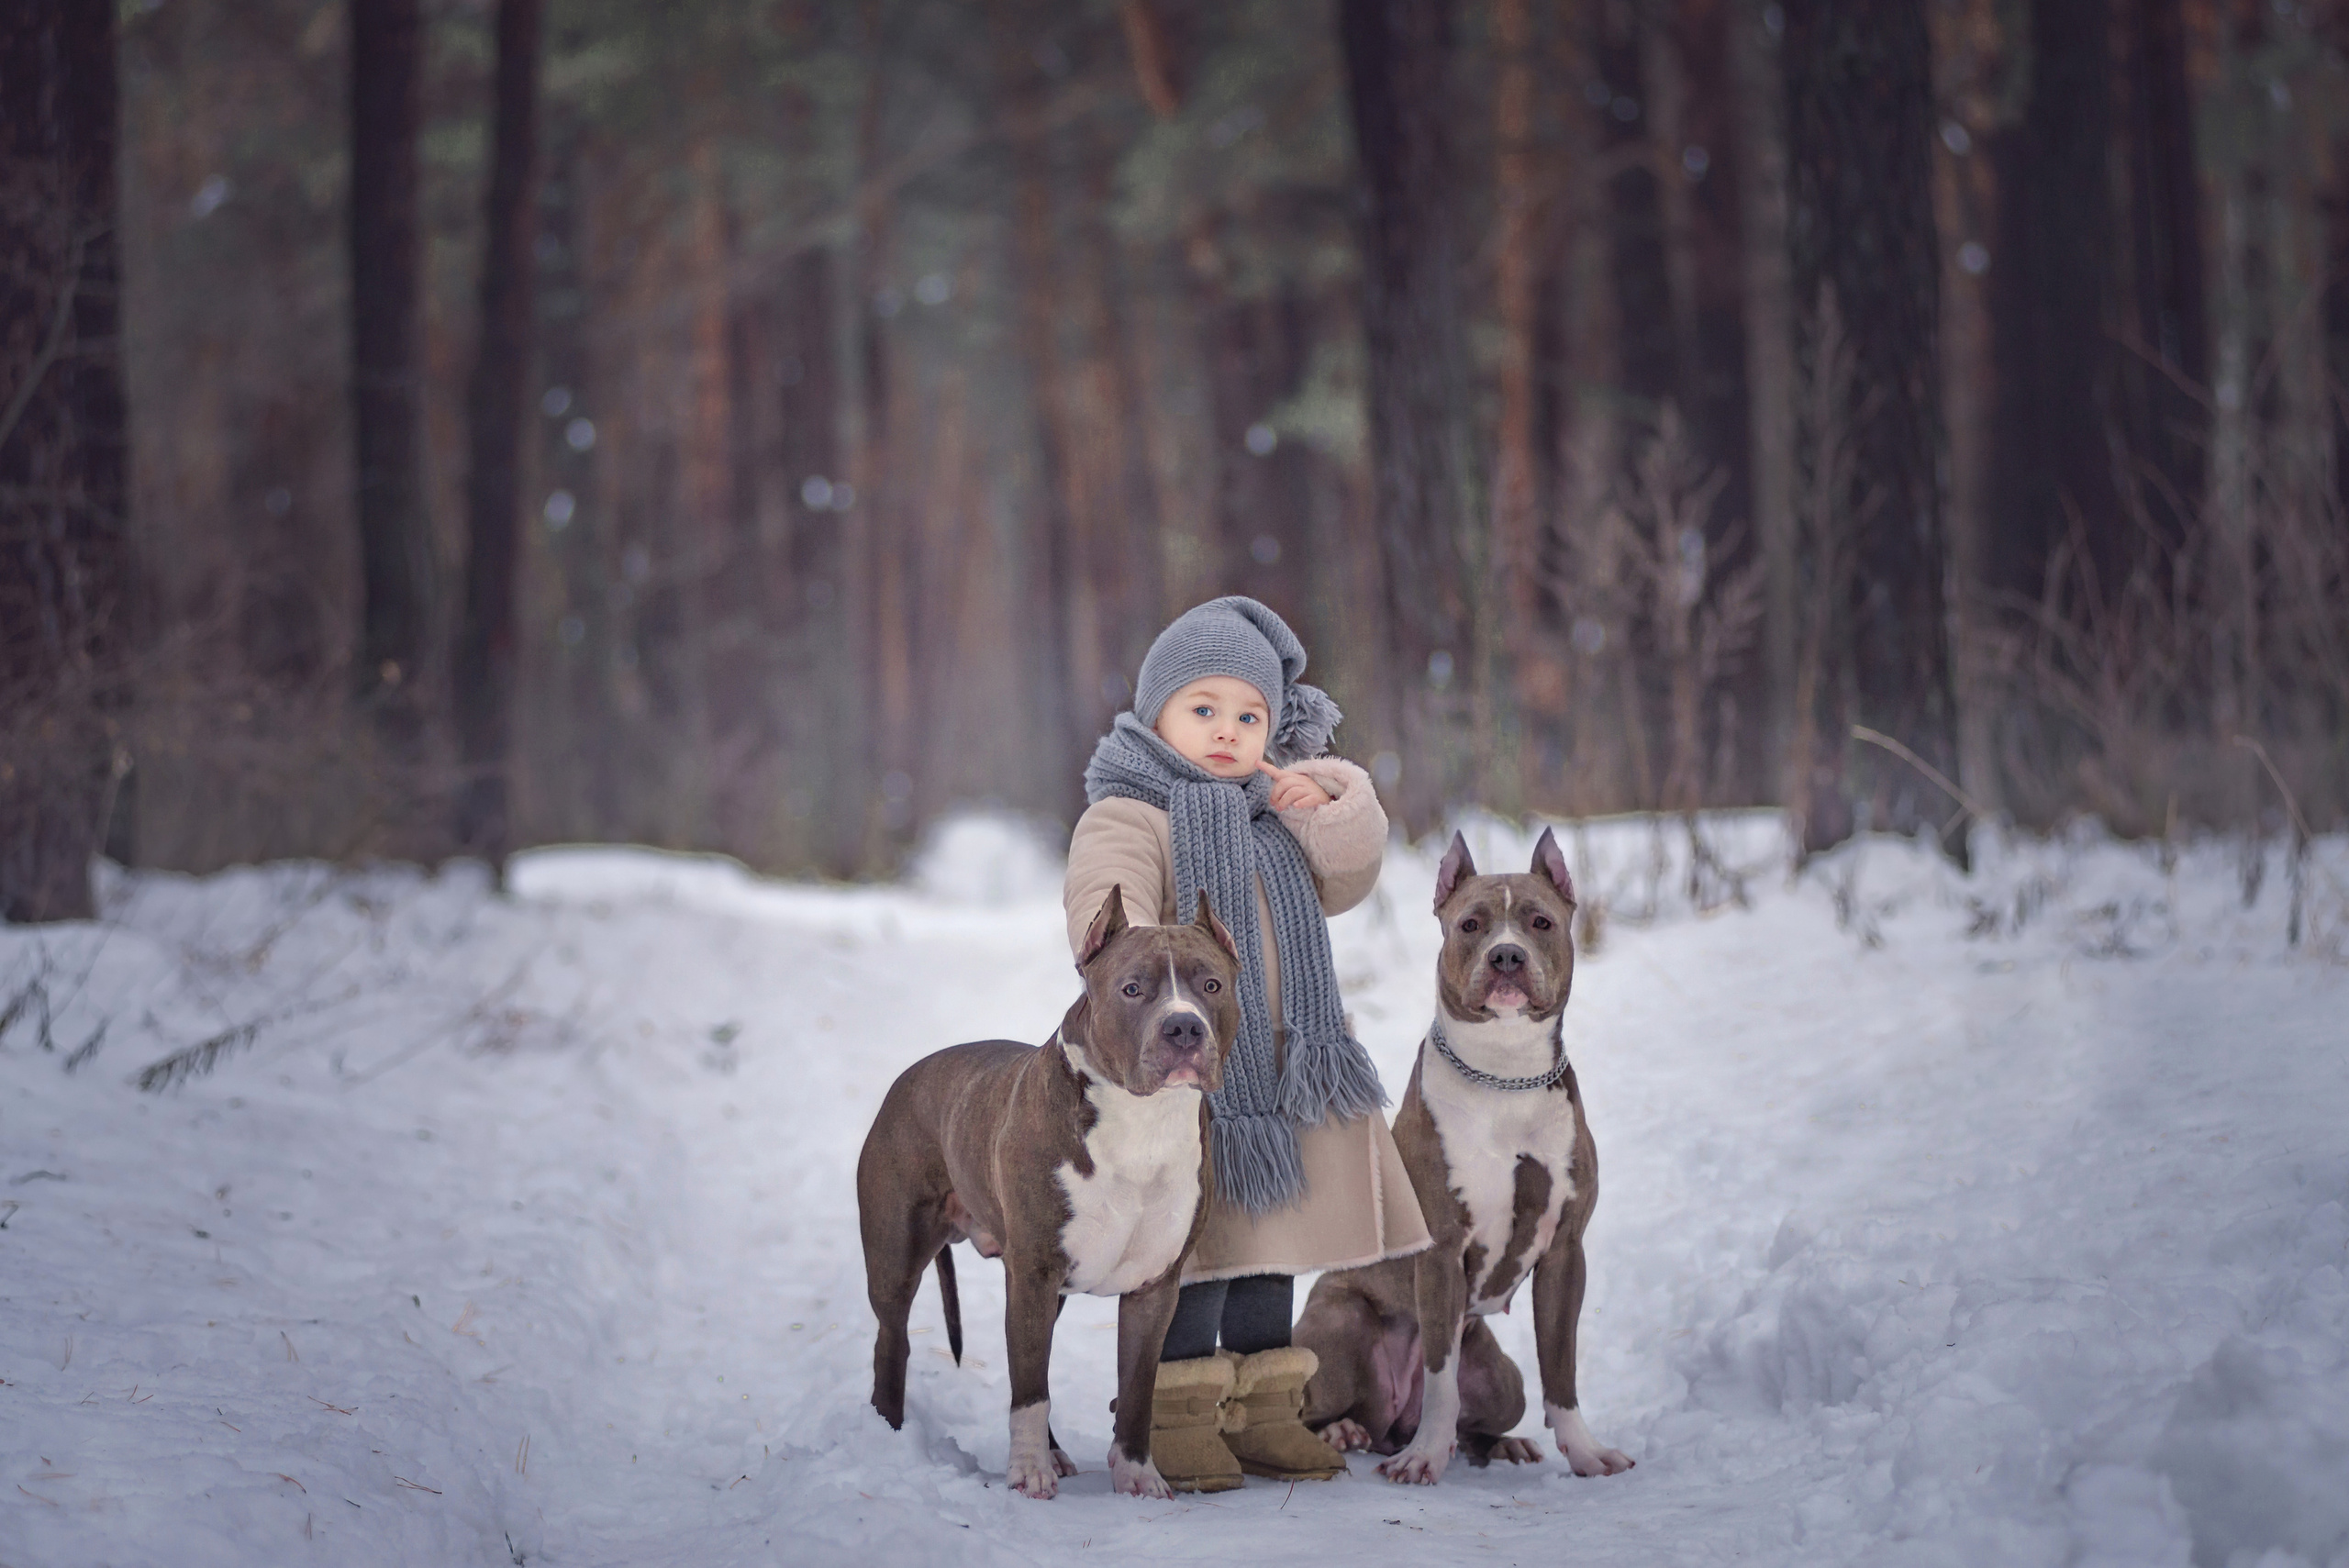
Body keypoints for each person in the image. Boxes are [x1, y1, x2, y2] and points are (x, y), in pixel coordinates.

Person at [1063, 595, 1431, 1492]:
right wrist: (1155, 988)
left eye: (1249, 716)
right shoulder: (1130, 812)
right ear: (1155, 713)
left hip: (1282, 1067)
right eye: (1204, 709)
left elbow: (1349, 873)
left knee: (1272, 1240)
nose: (1227, 731)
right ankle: (1177, 1409)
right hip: (1185, 1070)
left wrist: (1326, 798)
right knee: (1196, 1250)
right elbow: (1107, 912)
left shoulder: (1272, 818)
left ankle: (1267, 1405)